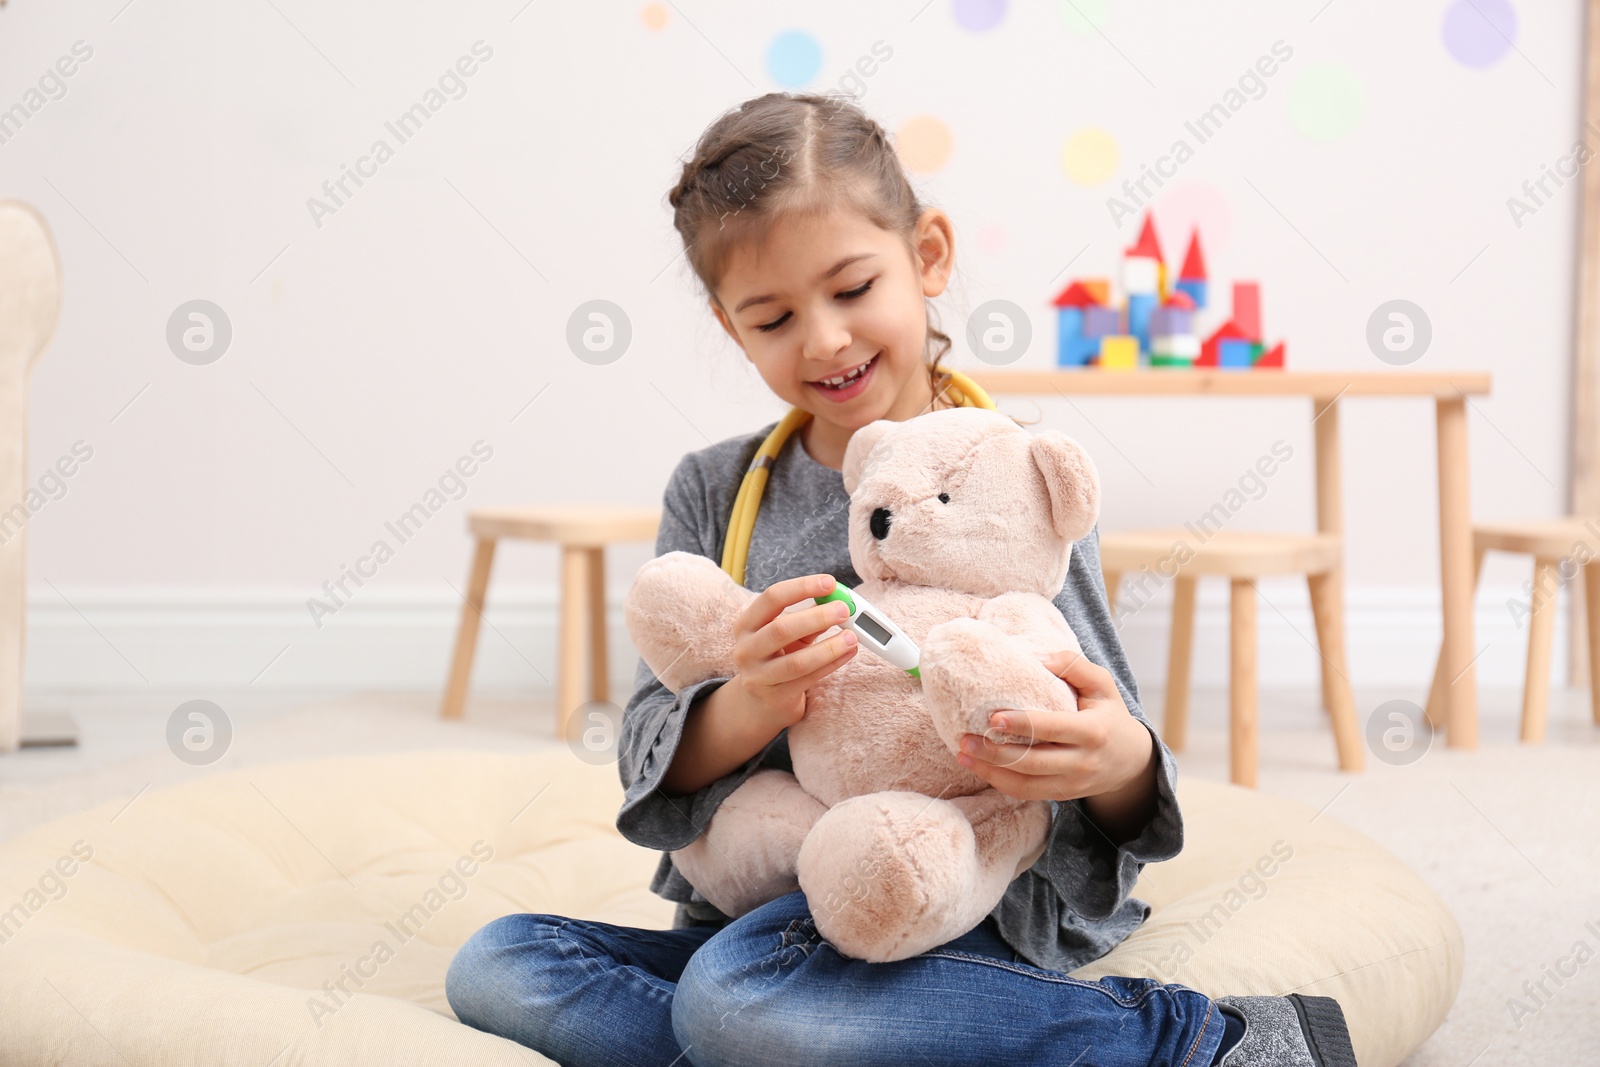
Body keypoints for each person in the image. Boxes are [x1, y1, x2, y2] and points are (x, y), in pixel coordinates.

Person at [446, 91, 1357, 1067]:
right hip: (763, 906)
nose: (825, 338)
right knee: (500, 960)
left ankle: (1197, 1037)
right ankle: (787, 1036)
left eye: (850, 288)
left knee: (733, 1003)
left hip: (946, 889)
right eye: (773, 316)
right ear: (729, 325)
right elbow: (644, 757)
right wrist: (754, 698)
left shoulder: (1016, 475)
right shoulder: (714, 489)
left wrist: (1109, 757)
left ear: (925, 255)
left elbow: (1120, 750)